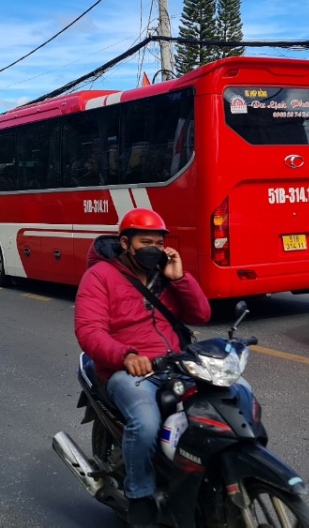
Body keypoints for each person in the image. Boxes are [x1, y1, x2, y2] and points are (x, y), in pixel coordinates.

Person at [74, 208, 210, 528]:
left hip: (175, 363)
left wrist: (181, 279)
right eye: (145, 241)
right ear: (125, 242)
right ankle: (140, 496)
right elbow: (89, 331)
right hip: (127, 369)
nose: (153, 248)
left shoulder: (166, 273)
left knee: (229, 401)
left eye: (159, 242)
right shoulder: (100, 276)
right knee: (146, 421)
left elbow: (201, 315)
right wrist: (126, 356)